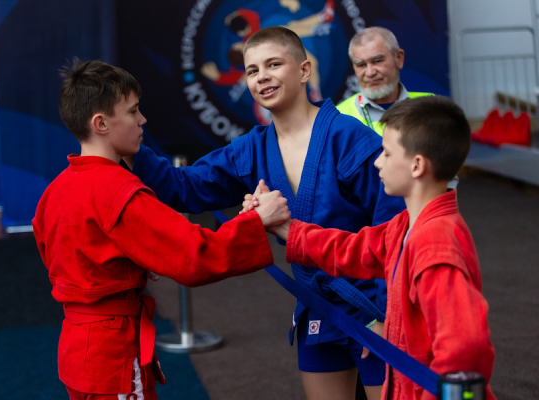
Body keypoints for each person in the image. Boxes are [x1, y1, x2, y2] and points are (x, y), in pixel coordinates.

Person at [131, 27, 405, 400]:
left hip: (371, 306)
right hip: (317, 306)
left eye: (274, 64)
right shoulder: (252, 149)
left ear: (304, 70)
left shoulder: (350, 138)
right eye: (252, 70)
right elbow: (185, 187)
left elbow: (396, 231)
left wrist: (391, 315)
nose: (262, 77)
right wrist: (130, 145)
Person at [31, 59, 290, 400]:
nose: (142, 120)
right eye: (133, 111)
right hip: (112, 354)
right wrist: (257, 221)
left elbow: (66, 255)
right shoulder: (118, 190)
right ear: (101, 123)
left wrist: (130, 264)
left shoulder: (55, 190)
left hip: (77, 349)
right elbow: (194, 254)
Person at [256, 96, 496, 400]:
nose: (378, 161)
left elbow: (466, 347)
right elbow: (351, 249)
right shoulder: (405, 227)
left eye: (386, 153)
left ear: (417, 165)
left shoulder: (435, 245)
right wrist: (284, 228)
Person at [336, 27, 433, 135]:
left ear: (399, 58)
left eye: (377, 61)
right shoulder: (337, 117)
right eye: (361, 65)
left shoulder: (433, 108)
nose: (370, 72)